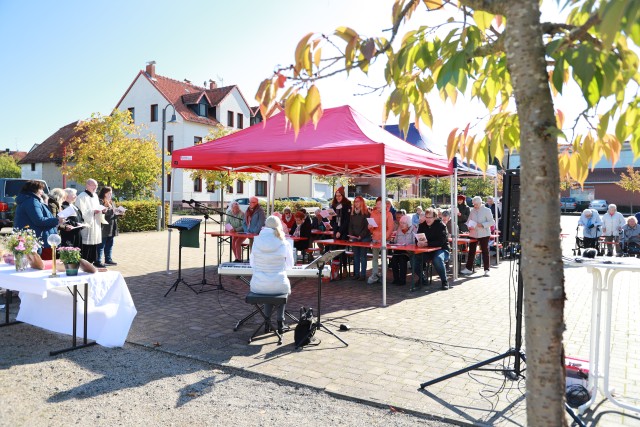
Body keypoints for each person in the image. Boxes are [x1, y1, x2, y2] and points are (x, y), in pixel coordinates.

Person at [249, 215, 294, 334]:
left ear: (265, 226)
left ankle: (267, 322)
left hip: (258, 285)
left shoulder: (256, 240)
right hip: (279, 283)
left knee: (267, 287)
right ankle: (280, 322)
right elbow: (290, 265)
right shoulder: (284, 242)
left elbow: (252, 264)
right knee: (277, 288)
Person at [14, 180, 64, 256]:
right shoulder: (32, 201)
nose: (42, 192)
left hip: (31, 238)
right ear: (35, 190)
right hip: (33, 240)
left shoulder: (30, 200)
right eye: (41, 189)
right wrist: (57, 220)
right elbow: (39, 220)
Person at [416, 207, 450, 289]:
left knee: (437, 259)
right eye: (426, 217)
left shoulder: (441, 225)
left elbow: (441, 242)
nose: (427, 219)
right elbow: (417, 237)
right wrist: (418, 242)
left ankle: (444, 281)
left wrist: (427, 243)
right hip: (427, 250)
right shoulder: (422, 226)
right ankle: (422, 278)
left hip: (441, 250)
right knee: (414, 258)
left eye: (429, 217)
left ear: (435, 217)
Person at [460, 196, 495, 277]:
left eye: (476, 204)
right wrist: (468, 226)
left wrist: (482, 225)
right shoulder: (472, 211)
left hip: (484, 234)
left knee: (485, 251)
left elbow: (492, 222)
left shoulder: (487, 210)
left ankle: (486, 269)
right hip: (473, 233)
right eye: (474, 204)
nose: (474, 206)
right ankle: (468, 269)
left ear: (480, 203)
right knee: (471, 251)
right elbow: (469, 221)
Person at [76, 179, 105, 266]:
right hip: (87, 224)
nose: (95, 187)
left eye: (96, 185)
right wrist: (92, 211)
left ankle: (93, 261)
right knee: (87, 244)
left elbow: (97, 207)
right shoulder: (82, 196)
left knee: (94, 244)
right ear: (87, 185)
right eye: (93, 185)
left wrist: (102, 210)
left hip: (95, 222)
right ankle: (85, 263)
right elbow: (81, 211)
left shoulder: (95, 195)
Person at [367, 196, 394, 284]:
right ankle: (374, 275)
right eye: (377, 203)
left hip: (384, 240)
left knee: (383, 258)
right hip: (375, 239)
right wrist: (370, 227)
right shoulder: (373, 213)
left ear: (384, 204)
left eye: (379, 203)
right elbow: (371, 229)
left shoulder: (389, 214)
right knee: (374, 258)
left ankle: (383, 276)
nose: (377, 205)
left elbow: (390, 229)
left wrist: (384, 239)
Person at [347, 196, 371, 281]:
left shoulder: (366, 213)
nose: (356, 203)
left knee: (363, 256)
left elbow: (367, 227)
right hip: (355, 237)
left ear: (362, 202)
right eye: (355, 201)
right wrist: (351, 234)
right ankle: (356, 274)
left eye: (358, 201)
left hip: (364, 237)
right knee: (356, 256)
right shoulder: (353, 213)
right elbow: (350, 225)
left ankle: (363, 275)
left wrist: (361, 236)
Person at [97, 186, 121, 266]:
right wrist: (112, 211)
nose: (111, 195)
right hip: (104, 226)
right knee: (101, 245)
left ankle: (108, 259)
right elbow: (102, 212)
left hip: (112, 226)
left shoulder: (111, 202)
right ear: (104, 193)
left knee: (110, 244)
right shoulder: (100, 201)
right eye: (109, 193)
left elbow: (114, 213)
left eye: (111, 193)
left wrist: (119, 213)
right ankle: (98, 260)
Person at [390, 216, 414, 286]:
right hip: (399, 250)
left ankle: (402, 280)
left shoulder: (413, 230)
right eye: (400, 223)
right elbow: (395, 241)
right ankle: (396, 279)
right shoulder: (399, 230)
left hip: (409, 252)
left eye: (403, 223)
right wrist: (393, 242)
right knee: (394, 259)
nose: (401, 225)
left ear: (408, 224)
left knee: (402, 259)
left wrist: (406, 246)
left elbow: (414, 244)